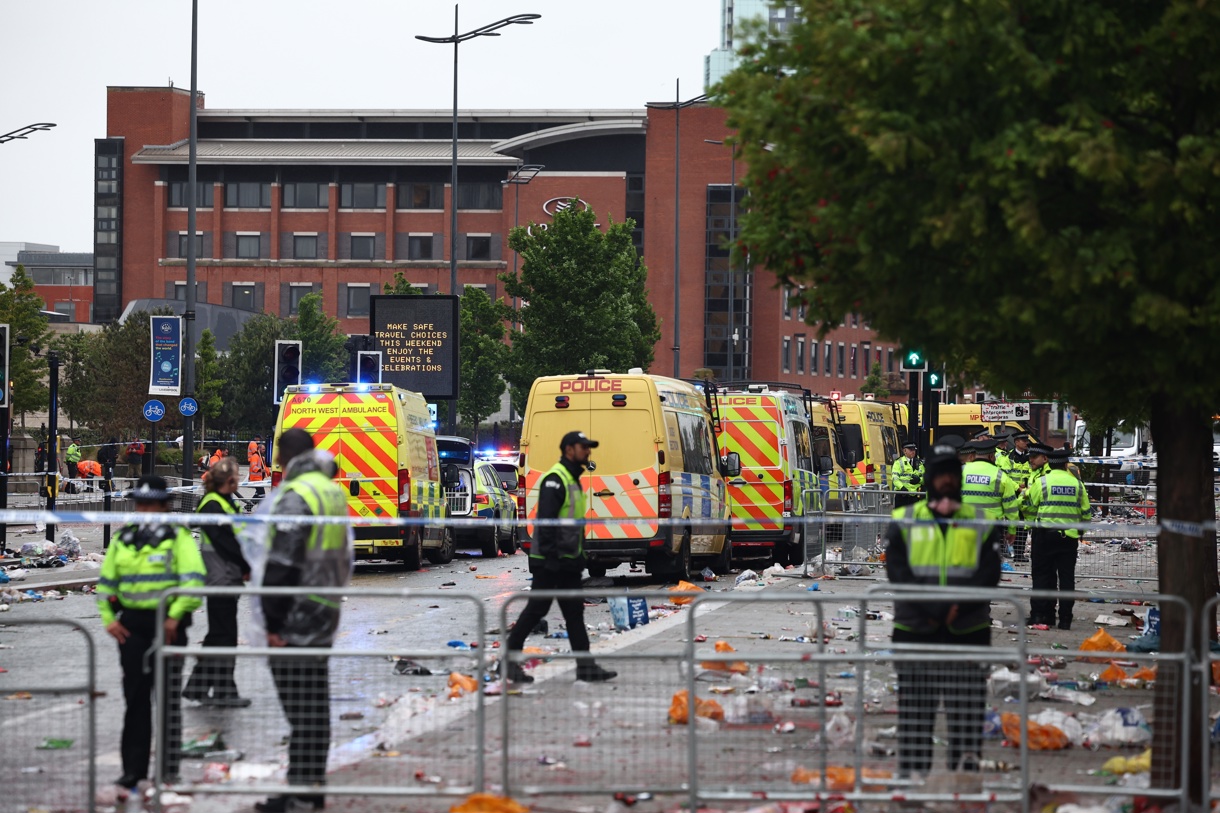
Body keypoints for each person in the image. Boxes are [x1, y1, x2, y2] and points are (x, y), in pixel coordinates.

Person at [884, 442, 1002, 777]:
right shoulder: (903, 520)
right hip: (915, 630)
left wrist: (956, 606)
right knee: (915, 710)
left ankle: (963, 778)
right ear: (932, 477)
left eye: (953, 473)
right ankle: (913, 776)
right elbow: (898, 572)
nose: (947, 480)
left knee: (966, 709)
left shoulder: (982, 521)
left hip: (968, 630)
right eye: (942, 474)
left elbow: (989, 572)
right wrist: (936, 608)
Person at [257, 428, 352, 813]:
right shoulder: (329, 490)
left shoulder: (297, 495)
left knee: (300, 707)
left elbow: (282, 562)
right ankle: (309, 787)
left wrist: (272, 623)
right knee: (313, 704)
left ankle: (301, 792)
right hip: (325, 605)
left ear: (284, 455)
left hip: (297, 611)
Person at [97, 475, 205, 789]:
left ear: (164, 506)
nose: (145, 510)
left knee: (168, 699)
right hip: (131, 628)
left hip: (168, 627)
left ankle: (169, 769)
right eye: (140, 504)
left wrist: (173, 617)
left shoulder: (178, 537)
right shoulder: (124, 539)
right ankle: (134, 769)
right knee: (136, 699)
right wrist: (108, 618)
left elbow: (194, 581)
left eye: (151, 505)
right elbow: (106, 584)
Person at [505, 431, 617, 684]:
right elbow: (546, 524)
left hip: (567, 562)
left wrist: (579, 556)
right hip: (551, 562)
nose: (588, 451)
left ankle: (586, 667)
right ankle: (508, 664)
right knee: (535, 611)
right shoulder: (556, 479)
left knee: (574, 614)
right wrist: (552, 561)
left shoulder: (572, 479)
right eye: (583, 447)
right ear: (569, 450)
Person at [182, 457, 252, 707]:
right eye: (237, 476)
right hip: (219, 576)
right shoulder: (213, 504)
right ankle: (222, 691)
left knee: (220, 634)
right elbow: (225, 543)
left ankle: (200, 688)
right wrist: (246, 565)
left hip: (227, 575)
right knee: (224, 634)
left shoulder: (225, 501)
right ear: (230, 480)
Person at [1025, 447, 1091, 630]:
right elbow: (1086, 513)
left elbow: (1030, 506)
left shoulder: (1042, 482)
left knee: (1041, 577)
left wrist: (1033, 522)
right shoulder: (1077, 484)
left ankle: (1039, 615)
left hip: (1044, 536)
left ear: (1049, 463)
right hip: (1068, 538)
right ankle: (1065, 619)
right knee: (1067, 579)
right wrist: (1080, 531)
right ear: (1065, 464)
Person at [961, 438, 1019, 558]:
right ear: (992, 456)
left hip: (964, 524)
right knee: (988, 565)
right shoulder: (1001, 476)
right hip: (991, 527)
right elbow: (1011, 507)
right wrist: (1012, 530)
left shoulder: (961, 472)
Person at [891, 442, 924, 508]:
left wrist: (919, 480)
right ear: (904, 451)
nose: (913, 451)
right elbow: (895, 478)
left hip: (915, 496)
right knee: (900, 517)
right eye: (910, 450)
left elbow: (926, 478)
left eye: (914, 450)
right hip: (902, 495)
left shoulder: (919, 463)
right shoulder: (899, 462)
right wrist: (902, 487)